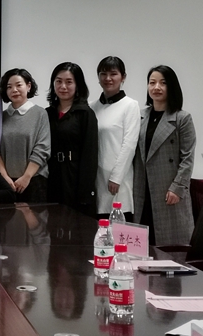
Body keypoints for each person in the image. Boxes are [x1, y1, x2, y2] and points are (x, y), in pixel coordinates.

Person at [133, 65, 196, 246]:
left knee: (170, 247)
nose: (156, 87)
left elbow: (187, 158)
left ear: (172, 87)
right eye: (152, 83)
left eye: (163, 83)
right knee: (142, 247)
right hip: (141, 189)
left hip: (168, 189)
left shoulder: (182, 118)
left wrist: (177, 187)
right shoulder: (140, 116)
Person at [90, 57, 140, 222]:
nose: (108, 78)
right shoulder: (92, 107)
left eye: (113, 74)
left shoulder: (130, 105)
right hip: (95, 178)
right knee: (97, 229)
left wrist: (116, 177)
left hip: (118, 180)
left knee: (119, 227)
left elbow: (129, 144)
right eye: (103, 74)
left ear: (123, 77)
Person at [46, 62, 98, 217]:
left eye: (69, 82)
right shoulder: (47, 113)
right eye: (58, 81)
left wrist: (86, 190)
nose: (63, 86)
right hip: (52, 175)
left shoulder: (85, 114)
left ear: (77, 85)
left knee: (76, 223)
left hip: (75, 175)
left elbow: (90, 154)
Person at [0, 68, 50, 203]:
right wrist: (4, 177)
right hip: (6, 182)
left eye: (18, 85)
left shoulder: (40, 113)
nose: (14, 90)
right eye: (9, 87)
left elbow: (42, 148)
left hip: (34, 181)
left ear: (28, 86)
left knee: (33, 218)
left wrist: (26, 177)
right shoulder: (1, 116)